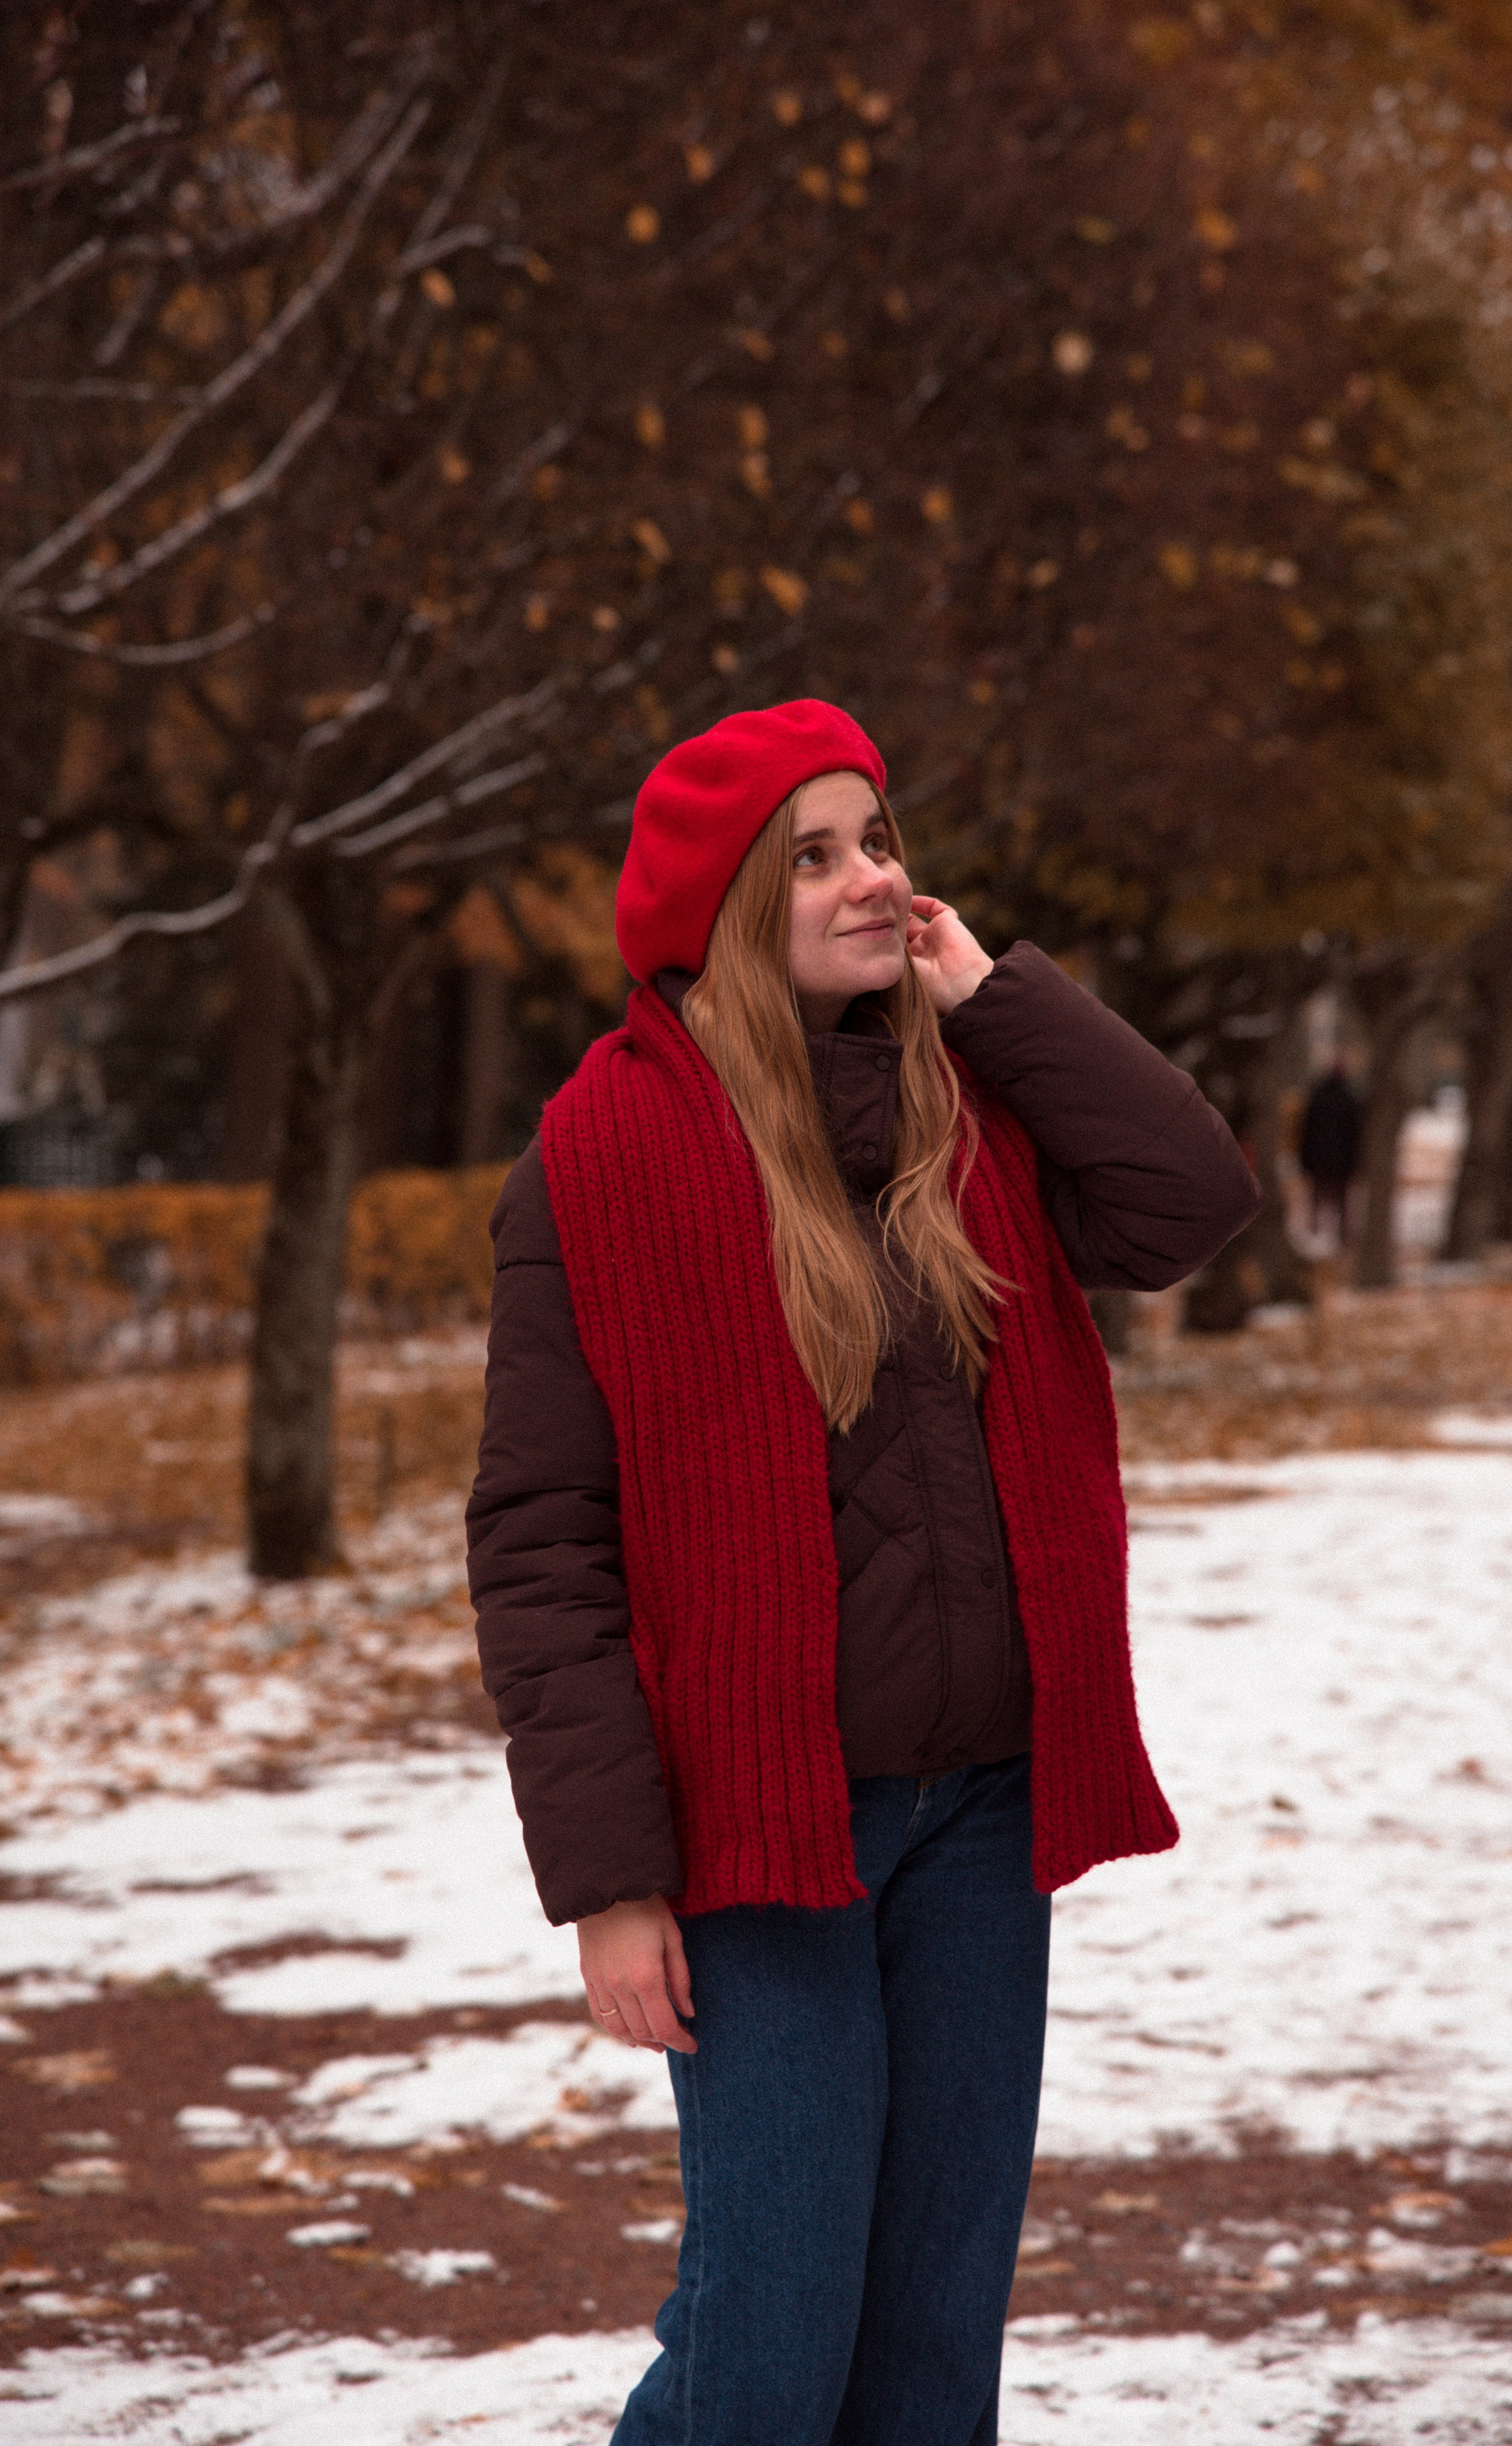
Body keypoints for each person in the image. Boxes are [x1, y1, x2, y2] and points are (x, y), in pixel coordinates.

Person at [466, 700, 1260, 2446]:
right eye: (812, 853)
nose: (869, 879)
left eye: (879, 838)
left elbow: (1192, 1196)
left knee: (931, 2340)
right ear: (729, 901)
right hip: (763, 1838)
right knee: (769, 2341)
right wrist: (609, 1880)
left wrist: (998, 997)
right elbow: (541, 1541)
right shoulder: (598, 1159)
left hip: (984, 1813)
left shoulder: (974, 1105)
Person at [1298, 1058, 1364, 1248]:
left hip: (1320, 1160)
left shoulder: (1318, 1096)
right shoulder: (1350, 1098)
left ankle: (1315, 1236)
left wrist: (1306, 1160)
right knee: (1341, 1203)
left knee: (1318, 1200)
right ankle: (1342, 1240)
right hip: (1341, 1161)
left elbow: (1307, 1131)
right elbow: (1355, 1134)